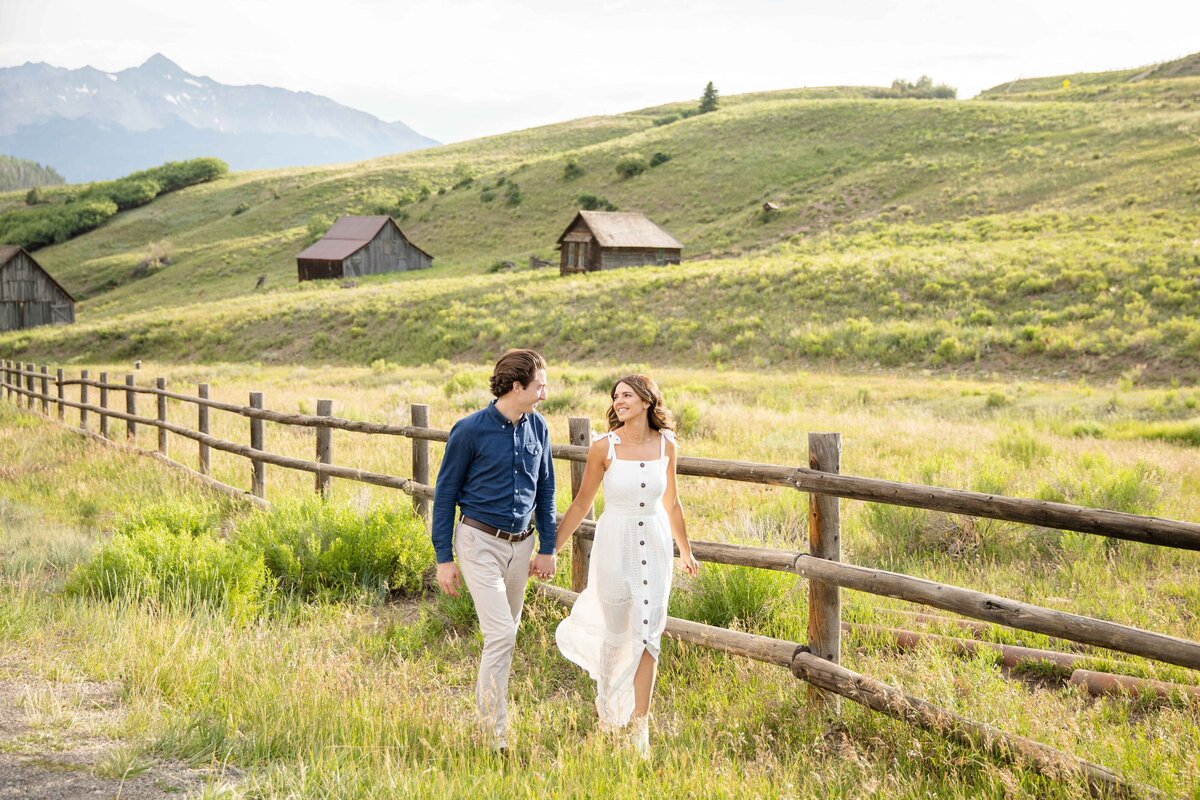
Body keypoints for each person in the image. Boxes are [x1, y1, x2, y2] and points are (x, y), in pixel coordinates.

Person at [552, 374, 699, 757]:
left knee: (649, 634)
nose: (619, 401)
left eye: (627, 395)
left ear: (647, 401)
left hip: (655, 539)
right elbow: (582, 502)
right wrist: (552, 548)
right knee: (617, 634)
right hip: (614, 543)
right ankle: (607, 713)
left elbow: (673, 503)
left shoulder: (667, 444)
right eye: (616, 396)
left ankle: (640, 727)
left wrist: (685, 549)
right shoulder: (604, 447)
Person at [432, 348, 558, 752]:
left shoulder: (539, 429)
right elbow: (445, 494)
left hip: (523, 547)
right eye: (539, 386)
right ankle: (493, 738)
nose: (544, 393)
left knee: (505, 636)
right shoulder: (469, 430)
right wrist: (443, 558)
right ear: (517, 387)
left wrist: (548, 547)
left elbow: (547, 492)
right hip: (478, 542)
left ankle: (490, 726)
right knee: (501, 633)